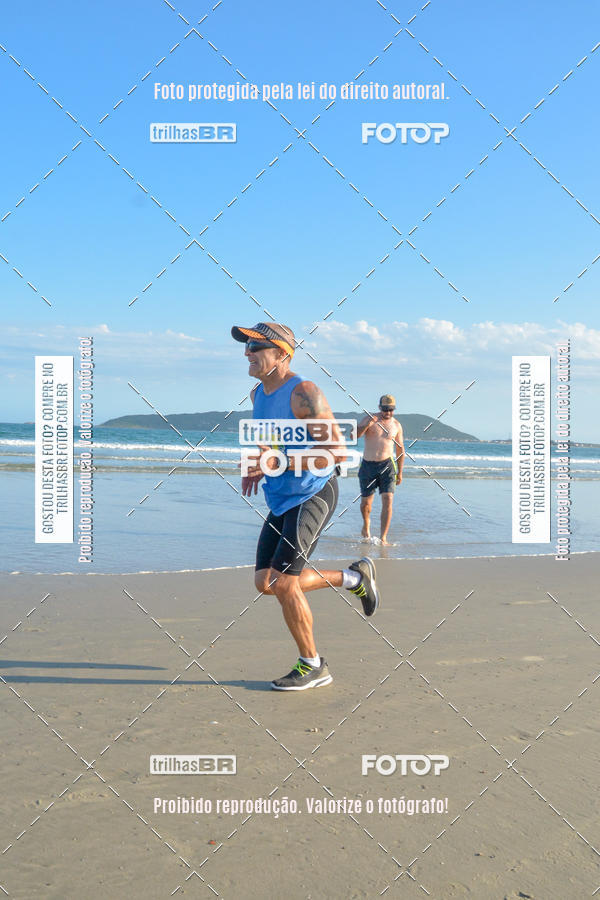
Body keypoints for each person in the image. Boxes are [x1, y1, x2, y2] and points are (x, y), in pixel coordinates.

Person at [231, 321, 382, 691]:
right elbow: (270, 441)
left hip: (313, 493)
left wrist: (275, 463)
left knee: (284, 584)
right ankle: (355, 578)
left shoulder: (305, 394)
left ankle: (313, 665)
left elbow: (336, 454)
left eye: (256, 348)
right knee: (265, 582)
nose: (247, 354)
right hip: (281, 496)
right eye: (246, 347)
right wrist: (257, 462)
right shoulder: (258, 395)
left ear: (282, 353)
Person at [356, 394, 404, 545]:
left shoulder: (396, 425)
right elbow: (354, 435)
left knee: (388, 499)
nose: (388, 412)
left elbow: (400, 450)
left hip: (387, 466)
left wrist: (400, 472)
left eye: (390, 410)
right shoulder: (369, 419)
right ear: (379, 408)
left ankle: (383, 537)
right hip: (368, 466)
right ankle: (366, 526)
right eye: (385, 409)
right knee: (366, 504)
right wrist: (367, 425)